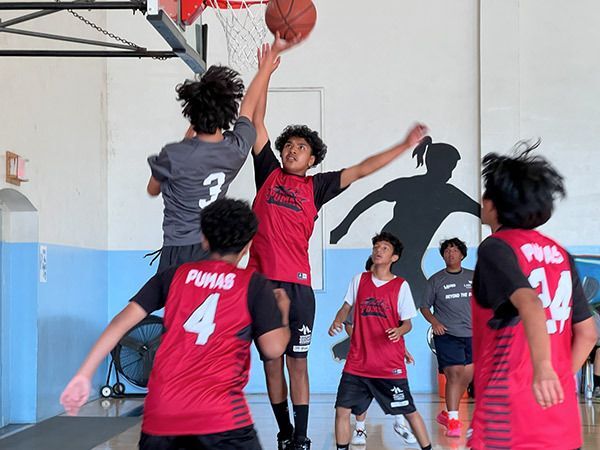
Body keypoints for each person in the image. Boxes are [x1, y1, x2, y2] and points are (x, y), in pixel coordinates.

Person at [248, 57, 427, 450]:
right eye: (289, 145)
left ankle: (301, 433)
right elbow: (256, 123)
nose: (293, 150)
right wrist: (265, 74)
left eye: (302, 147)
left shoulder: (317, 187)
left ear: (313, 159)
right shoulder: (268, 174)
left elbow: (363, 169)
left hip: (298, 288)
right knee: (271, 362)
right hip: (261, 284)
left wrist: (403, 145)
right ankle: (283, 429)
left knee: (298, 362)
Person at [60, 198, 291, 450]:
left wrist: (84, 374)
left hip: (163, 414)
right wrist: (282, 312)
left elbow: (119, 324)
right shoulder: (253, 285)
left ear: (204, 238)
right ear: (248, 245)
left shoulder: (173, 276)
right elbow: (273, 349)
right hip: (221, 418)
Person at [470, 142, 597, 449]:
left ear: (491, 204)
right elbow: (588, 332)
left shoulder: (497, 248)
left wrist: (542, 369)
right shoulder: (561, 254)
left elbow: (530, 303)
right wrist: (556, 378)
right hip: (561, 423)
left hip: (508, 421)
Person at [145, 37, 300, 273]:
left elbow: (152, 189)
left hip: (177, 248)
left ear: (192, 114)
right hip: (212, 249)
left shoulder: (174, 154)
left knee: (172, 306)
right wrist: (265, 68)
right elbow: (248, 107)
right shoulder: (235, 149)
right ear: (228, 113)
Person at [330, 136, 479, 303]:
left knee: (421, 298)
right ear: (435, 164)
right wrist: (342, 228)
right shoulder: (415, 187)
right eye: (449, 168)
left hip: (410, 260)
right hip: (393, 253)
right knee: (405, 297)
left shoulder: (450, 194)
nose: (450, 174)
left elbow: (482, 213)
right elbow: (371, 199)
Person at [329, 232, 432, 450]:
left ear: (394, 257)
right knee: (342, 410)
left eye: (385, 248)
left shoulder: (401, 286)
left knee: (409, 411)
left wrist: (399, 331)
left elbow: (408, 323)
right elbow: (346, 307)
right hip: (357, 363)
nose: (378, 250)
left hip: (388, 364)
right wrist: (337, 321)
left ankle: (427, 447)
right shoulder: (359, 280)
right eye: (376, 246)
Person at [342, 256, 417, 446]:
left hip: (388, 355)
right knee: (361, 396)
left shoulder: (396, 289)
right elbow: (348, 324)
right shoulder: (360, 292)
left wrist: (404, 349)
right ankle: (360, 429)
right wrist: (361, 340)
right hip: (364, 356)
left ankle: (400, 423)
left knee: (396, 388)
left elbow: (401, 326)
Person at [420, 237, 474, 437]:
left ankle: (446, 413)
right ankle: (453, 420)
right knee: (454, 374)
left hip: (472, 334)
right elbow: (424, 307)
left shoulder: (473, 277)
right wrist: (435, 323)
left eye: (454, 250)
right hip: (447, 335)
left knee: (466, 377)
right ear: (443, 256)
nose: (450, 254)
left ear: (461, 254)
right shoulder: (436, 280)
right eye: (446, 251)